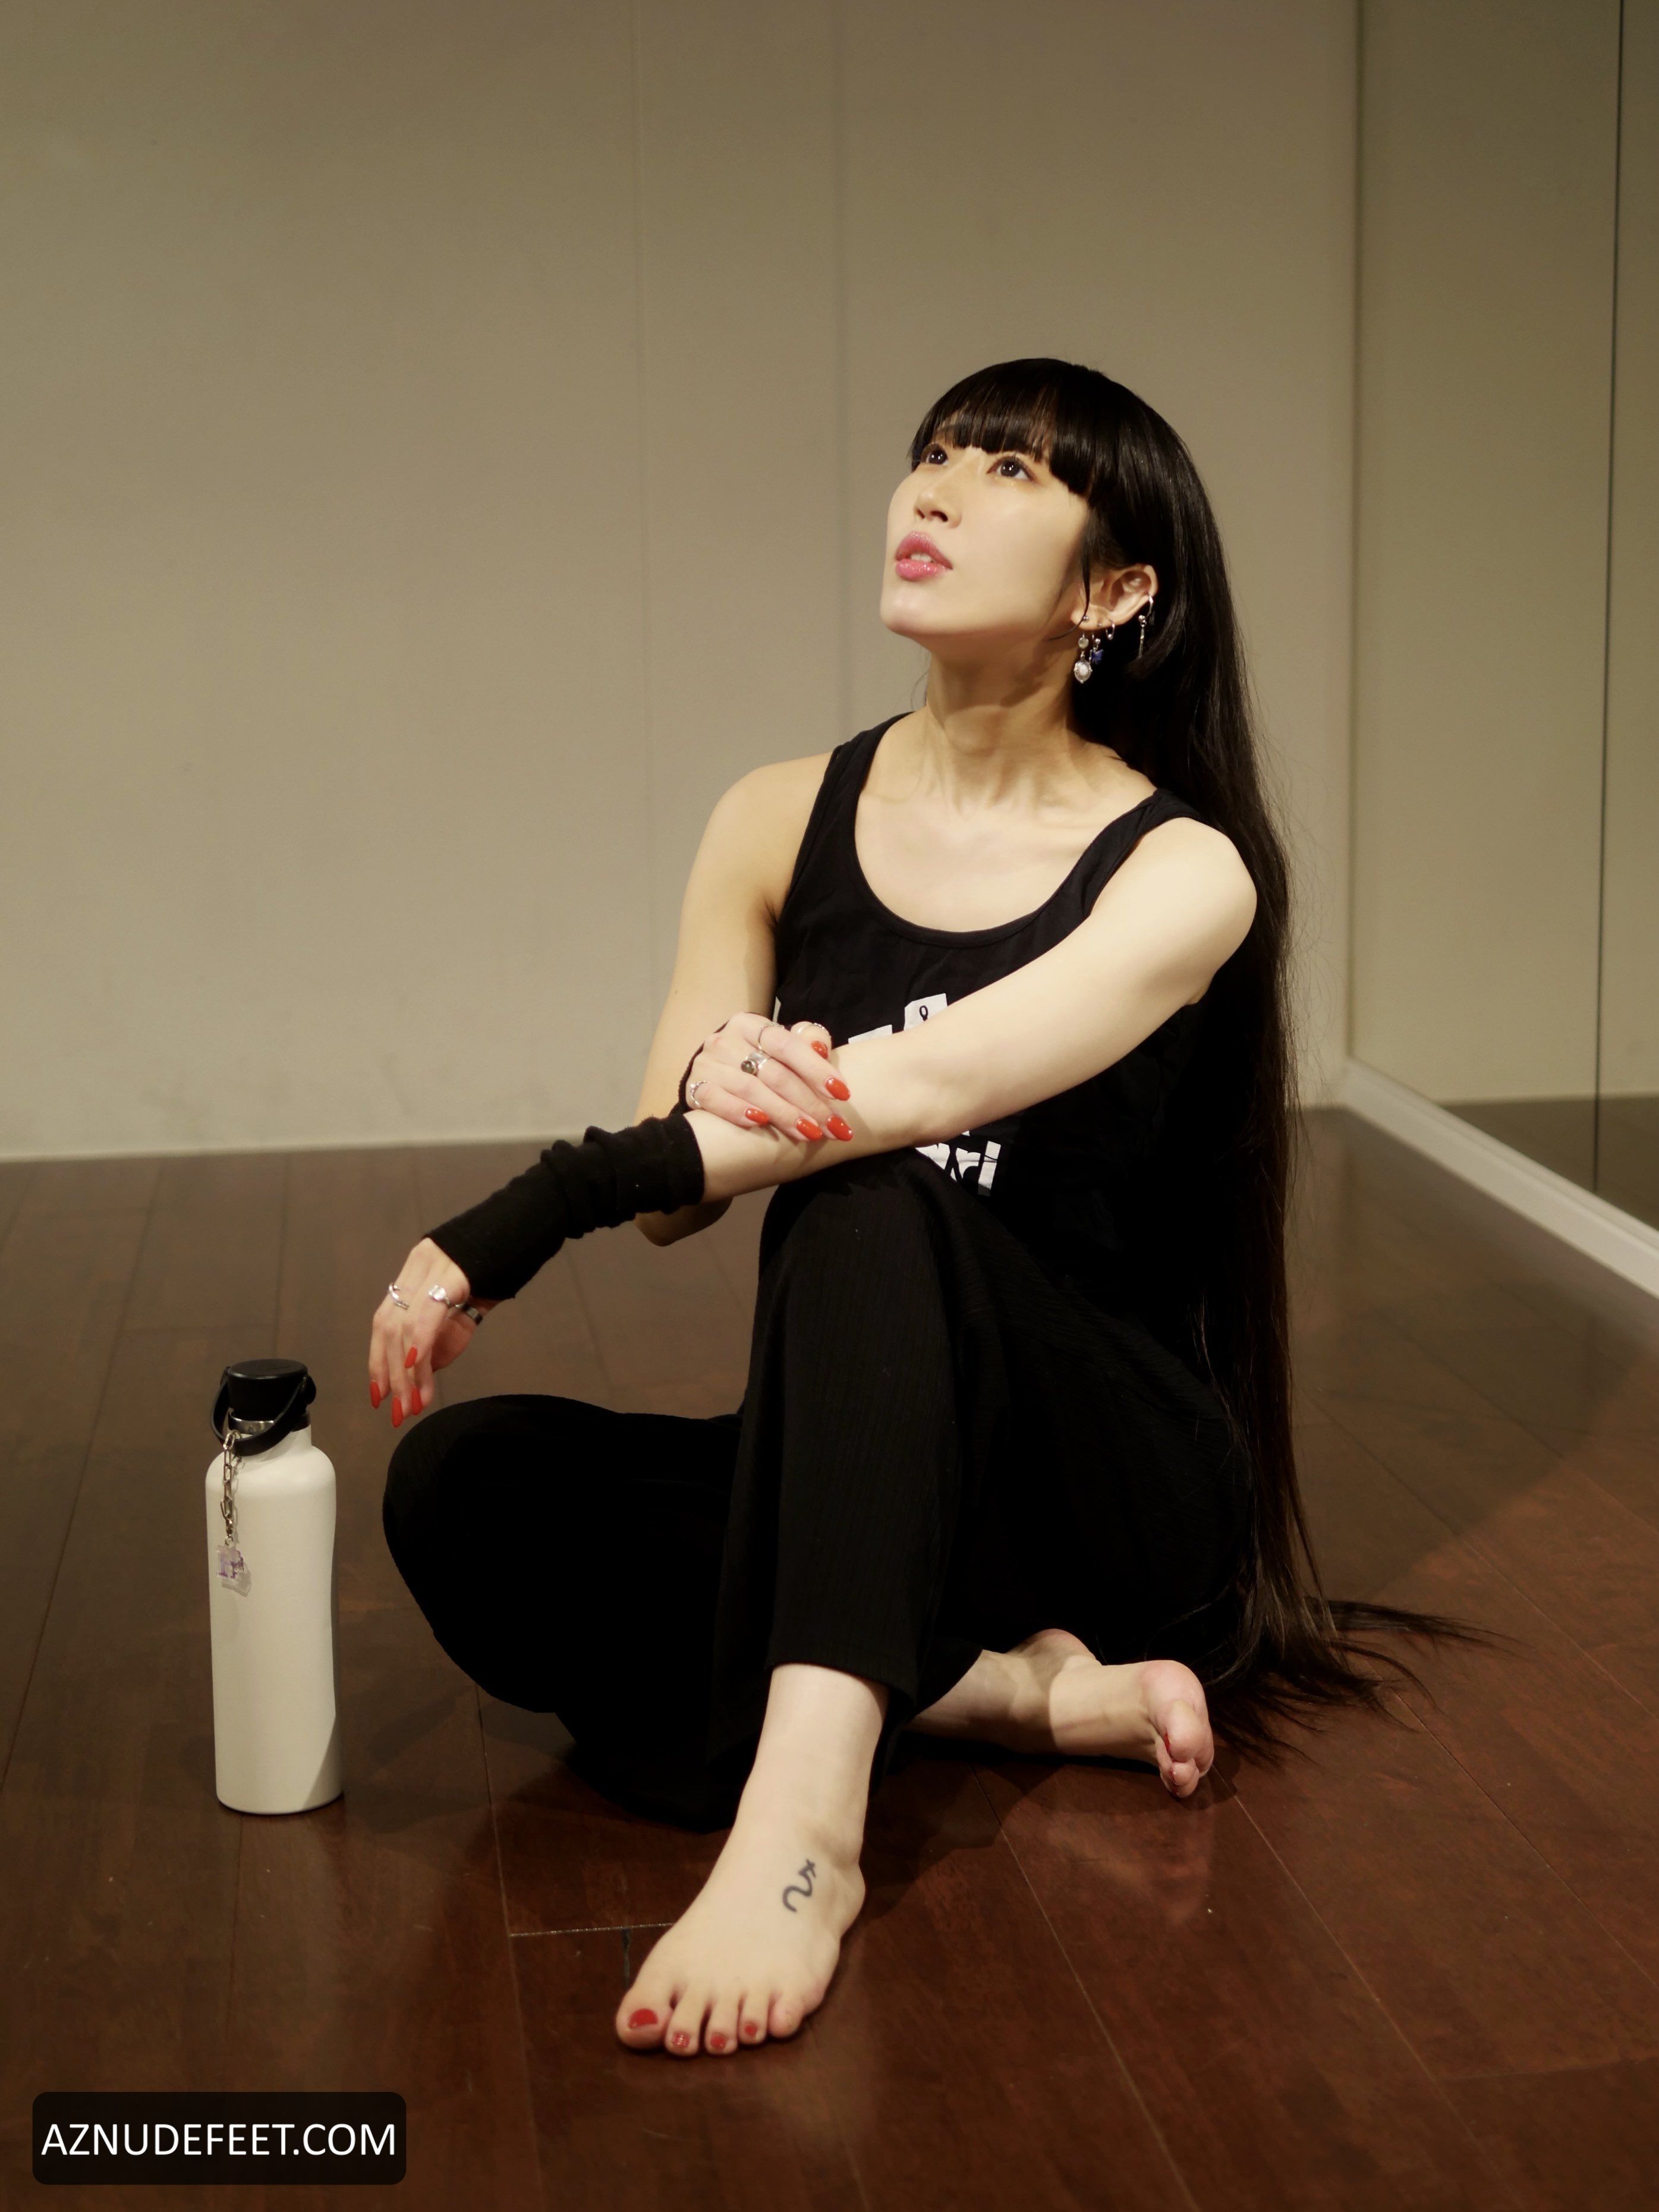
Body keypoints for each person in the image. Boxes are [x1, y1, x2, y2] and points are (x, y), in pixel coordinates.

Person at [372, 357, 1500, 2062]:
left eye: (1013, 471)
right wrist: (711, 1077)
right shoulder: (775, 816)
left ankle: (803, 1833)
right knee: (466, 1487)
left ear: (1114, 591)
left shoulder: (1182, 869)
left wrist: (514, 1223)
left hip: (1098, 1488)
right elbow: (683, 1205)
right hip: (877, 1472)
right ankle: (1001, 1690)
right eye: (937, 455)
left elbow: (904, 1097)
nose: (939, 489)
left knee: (874, 1194)